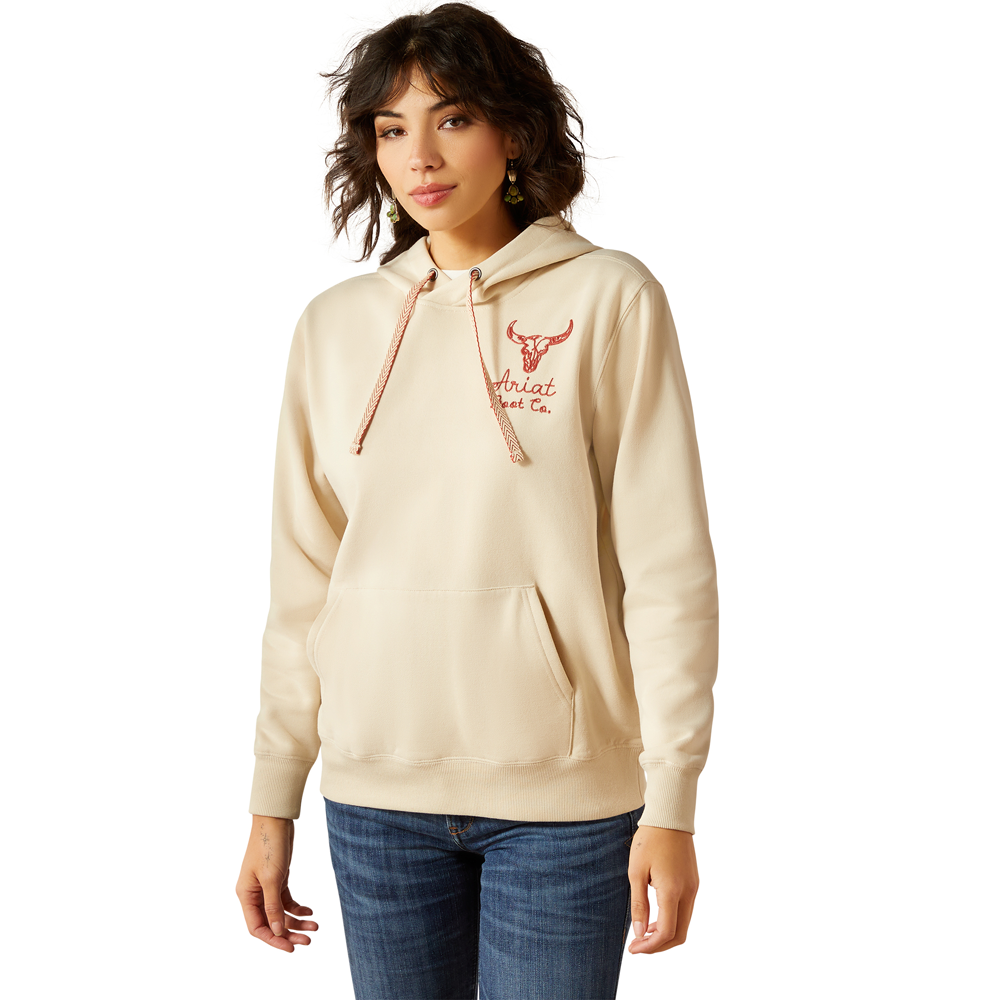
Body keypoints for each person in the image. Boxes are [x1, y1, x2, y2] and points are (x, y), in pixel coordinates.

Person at [235, 4, 719, 997]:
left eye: (452, 118)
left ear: (515, 134)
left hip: (566, 808)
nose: (420, 155)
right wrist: (272, 795)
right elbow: (302, 583)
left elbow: (668, 568)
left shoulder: (609, 298)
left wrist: (672, 800)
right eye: (391, 128)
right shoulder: (334, 328)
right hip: (374, 798)